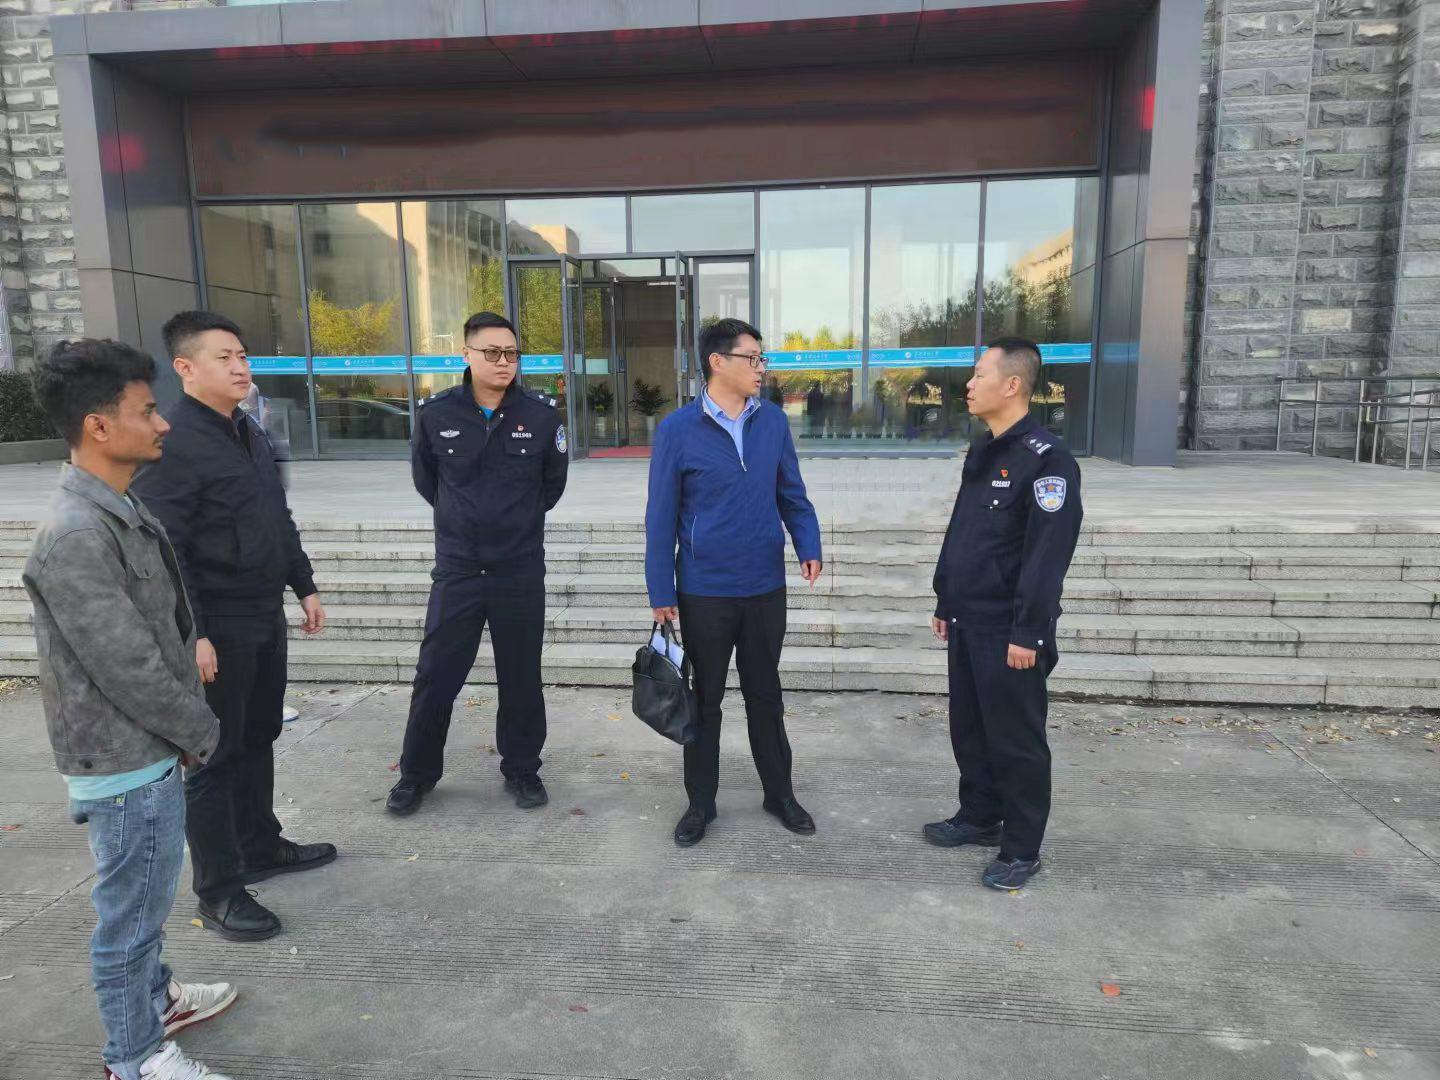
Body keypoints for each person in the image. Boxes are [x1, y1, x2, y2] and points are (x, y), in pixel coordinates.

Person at [24, 338, 241, 1080]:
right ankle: (135, 1056)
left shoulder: (117, 508)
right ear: (99, 426)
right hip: (124, 759)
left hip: (146, 749)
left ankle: (158, 1001)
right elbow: (128, 667)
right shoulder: (77, 534)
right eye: (147, 411)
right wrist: (200, 730)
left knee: (143, 905)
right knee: (129, 920)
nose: (163, 423)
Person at [130, 311, 333, 943]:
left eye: (243, 355)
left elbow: (277, 515)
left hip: (262, 613)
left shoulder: (248, 430)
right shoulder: (173, 443)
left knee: (258, 734)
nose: (241, 366)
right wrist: (194, 633)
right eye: (225, 357)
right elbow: (166, 548)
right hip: (216, 623)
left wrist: (304, 583)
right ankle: (218, 891)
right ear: (185, 368)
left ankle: (259, 845)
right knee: (214, 756)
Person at [645, 317, 824, 848]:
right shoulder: (677, 430)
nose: (761, 368)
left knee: (766, 694)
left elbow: (792, 491)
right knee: (704, 701)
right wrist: (661, 590)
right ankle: (700, 803)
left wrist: (808, 543)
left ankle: (779, 794)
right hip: (705, 590)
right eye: (753, 358)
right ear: (718, 362)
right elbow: (660, 516)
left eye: (762, 359)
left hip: (764, 586)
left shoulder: (773, 422)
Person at [386, 312, 569, 816]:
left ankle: (523, 769)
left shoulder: (541, 415)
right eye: (491, 352)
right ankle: (416, 775)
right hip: (459, 570)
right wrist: (463, 521)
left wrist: (512, 523)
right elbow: (427, 480)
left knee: (521, 677)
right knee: (435, 676)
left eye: (511, 353)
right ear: (466, 354)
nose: (503, 361)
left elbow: (551, 486)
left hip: (518, 569)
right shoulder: (436, 414)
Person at [926, 337, 1082, 891]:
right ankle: (979, 815)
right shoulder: (984, 451)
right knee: (969, 729)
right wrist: (946, 597)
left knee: (1015, 739)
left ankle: (1021, 847)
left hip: (1009, 630)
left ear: (1012, 384)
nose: (968, 385)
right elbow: (964, 534)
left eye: (979, 375)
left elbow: (1047, 555)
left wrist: (1029, 632)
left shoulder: (1048, 461)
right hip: (968, 619)